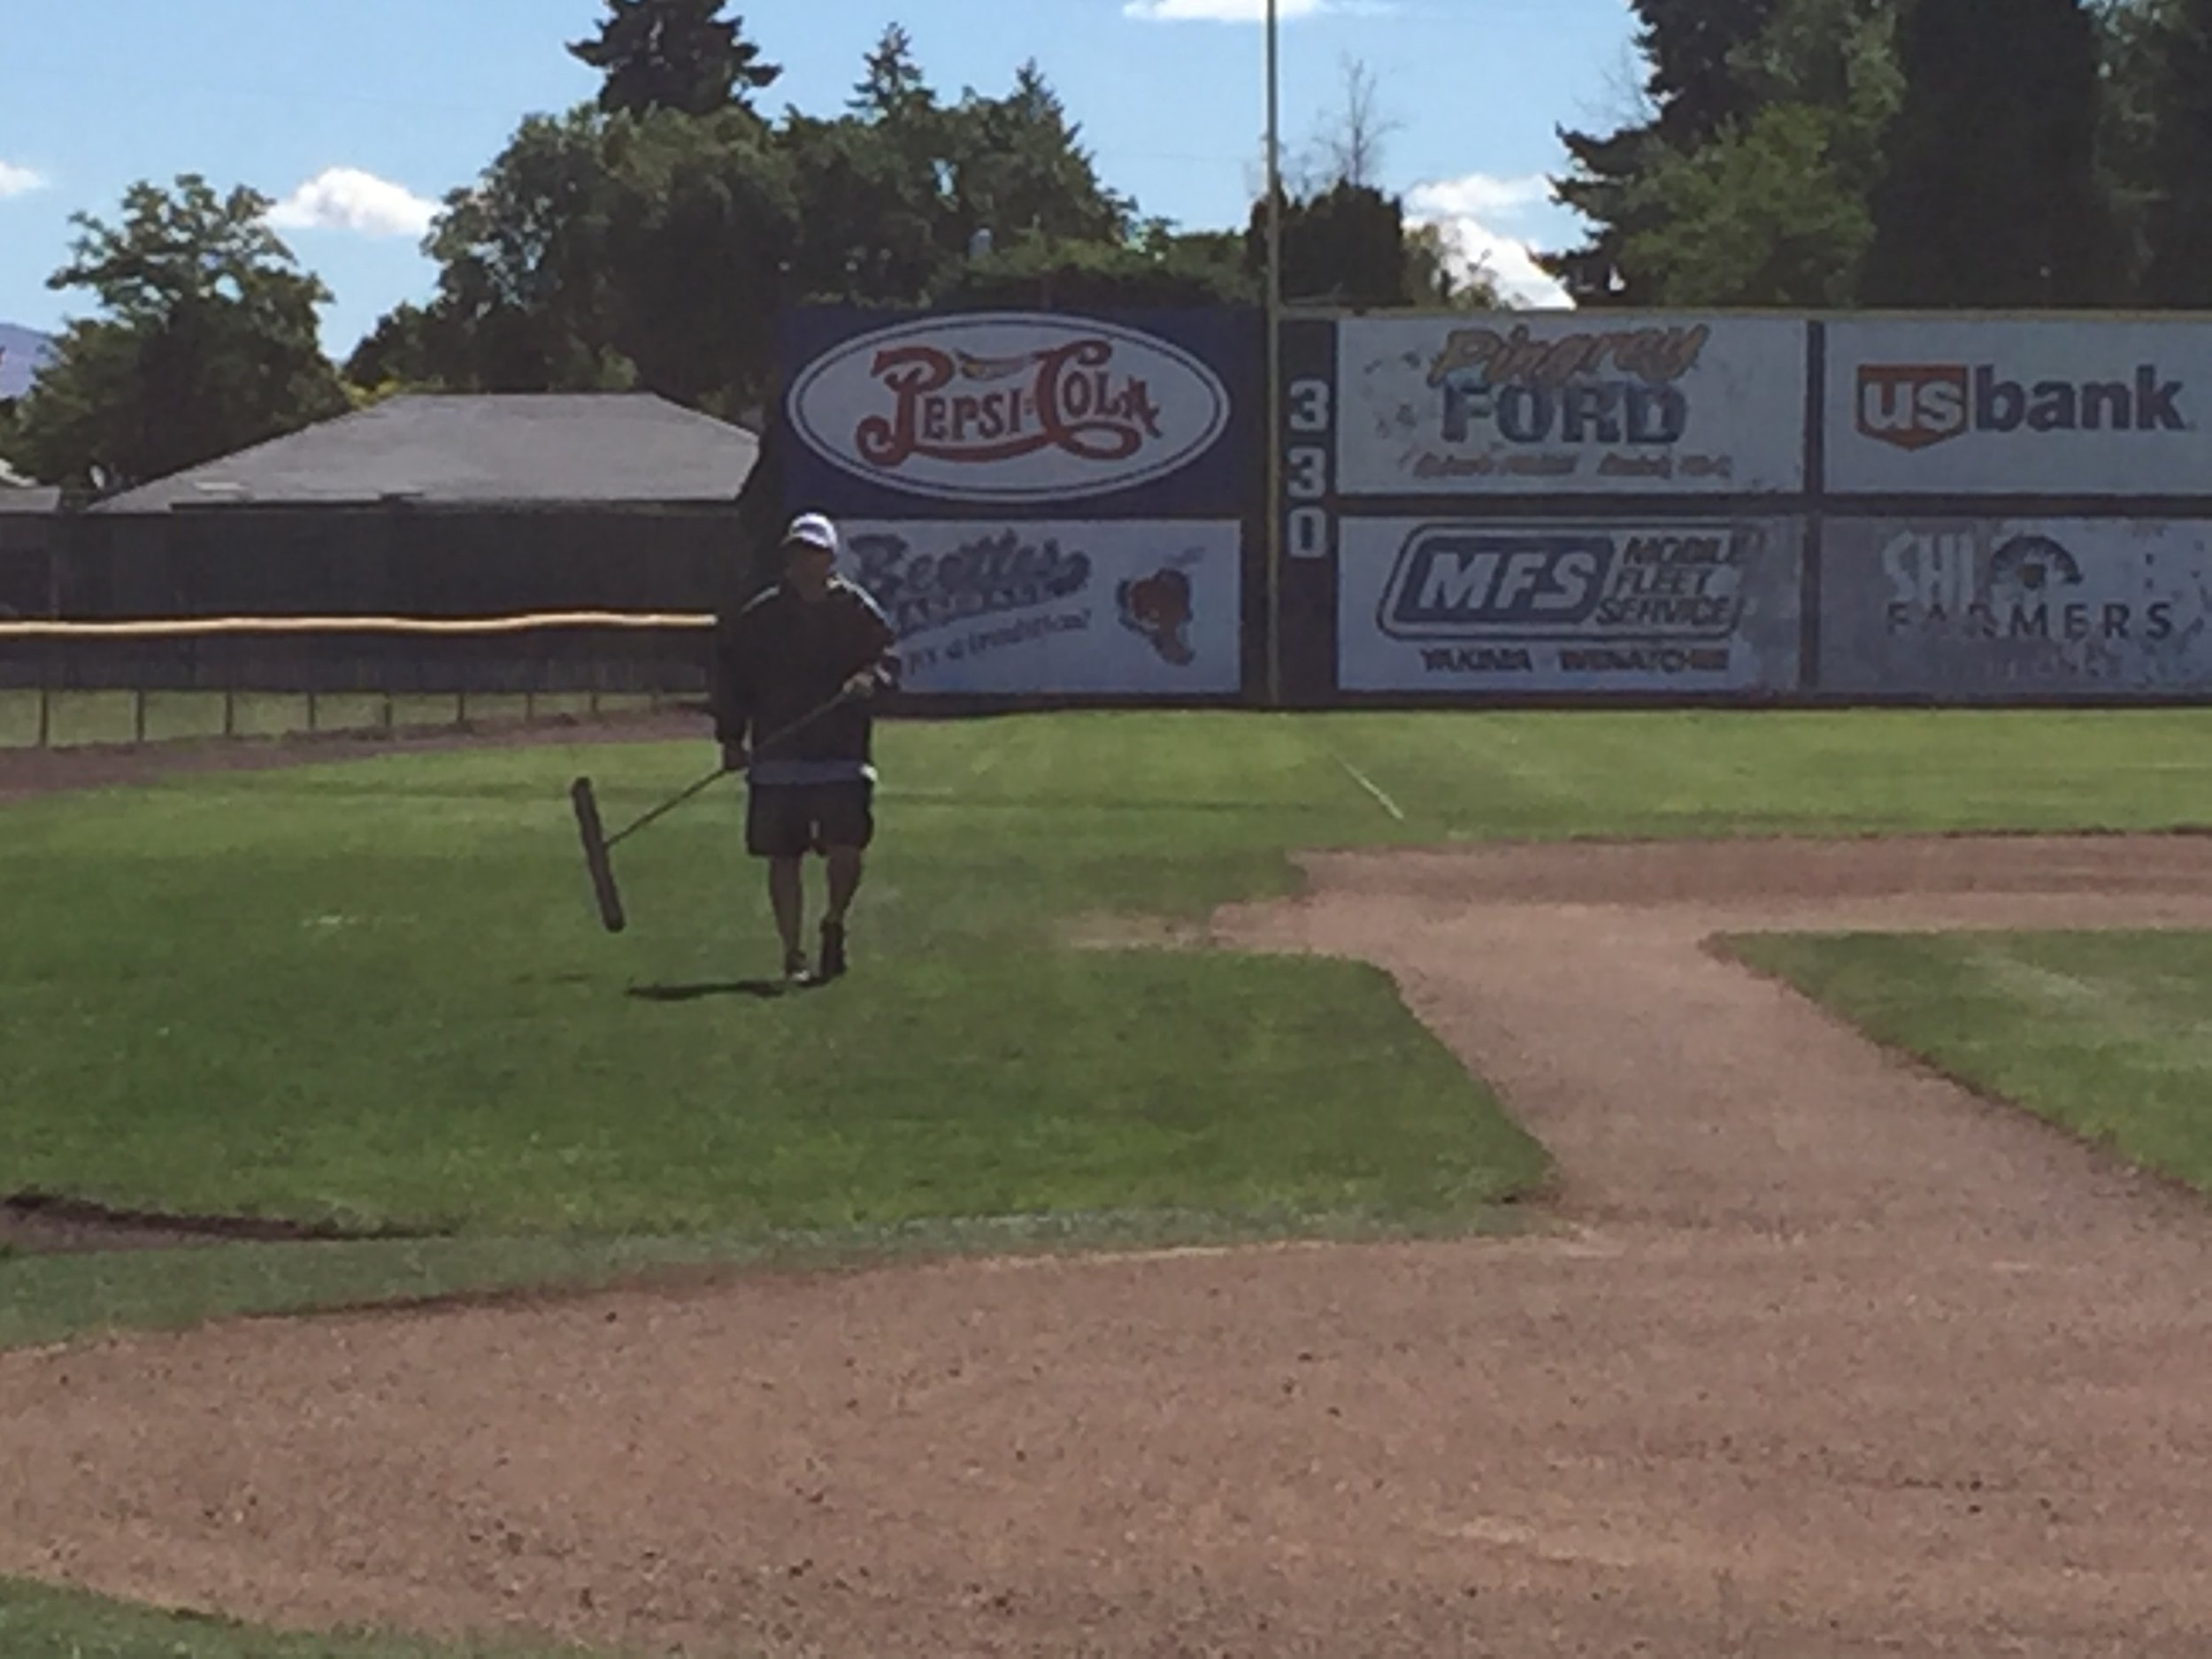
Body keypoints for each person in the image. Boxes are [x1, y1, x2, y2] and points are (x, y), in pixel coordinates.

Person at [710, 512, 900, 985]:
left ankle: (834, 920)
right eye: (796, 552)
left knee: (846, 849)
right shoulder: (762, 616)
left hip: (841, 751)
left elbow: (889, 660)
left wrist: (869, 679)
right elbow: (731, 679)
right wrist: (731, 738)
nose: (803, 561)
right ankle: (793, 954)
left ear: (830, 558)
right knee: (783, 856)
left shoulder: (855, 610)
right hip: (778, 754)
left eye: (813, 552)